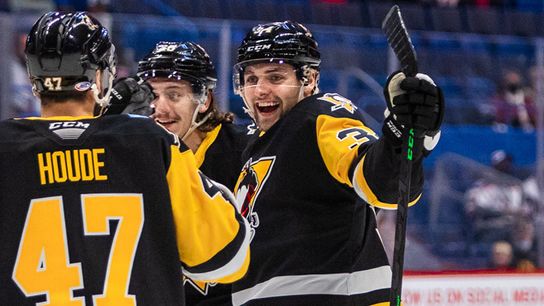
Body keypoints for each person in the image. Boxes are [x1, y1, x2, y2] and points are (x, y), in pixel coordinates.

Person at [0, 11, 250, 305]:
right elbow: (226, 256)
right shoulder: (148, 141)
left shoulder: (5, 146)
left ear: (33, 77)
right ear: (99, 75)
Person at [230, 20, 444, 305]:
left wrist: (402, 138)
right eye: (251, 79)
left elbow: (379, 181)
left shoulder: (320, 117)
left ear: (310, 80)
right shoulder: (257, 144)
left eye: (275, 77)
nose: (260, 90)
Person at [133, 41, 251, 305]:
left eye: (174, 95)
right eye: (151, 95)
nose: (159, 108)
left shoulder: (246, 153)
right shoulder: (134, 153)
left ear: (205, 100)